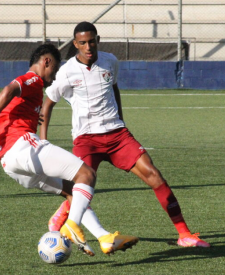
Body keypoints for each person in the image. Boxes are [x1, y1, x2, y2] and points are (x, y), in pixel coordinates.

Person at [40, 21, 210, 248]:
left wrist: (120, 118)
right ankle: (64, 217)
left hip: (118, 135)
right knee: (80, 189)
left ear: (98, 40)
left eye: (92, 41)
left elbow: (114, 87)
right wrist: (43, 141)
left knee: (154, 176)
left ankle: (184, 234)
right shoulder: (66, 72)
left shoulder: (110, 61)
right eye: (83, 43)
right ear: (75, 44)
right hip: (86, 139)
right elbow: (47, 105)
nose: (88, 47)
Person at [0, 43, 139, 256]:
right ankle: (71, 225)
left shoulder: (28, 98)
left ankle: (104, 237)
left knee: (72, 191)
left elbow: (12, 112)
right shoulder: (33, 79)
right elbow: (9, 89)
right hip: (23, 147)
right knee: (87, 174)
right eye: (55, 68)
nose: (55, 75)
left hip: (9, 165)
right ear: (46, 62)